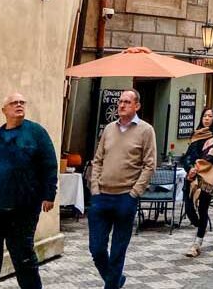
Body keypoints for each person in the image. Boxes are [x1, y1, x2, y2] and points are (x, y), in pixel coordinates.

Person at [0, 91, 57, 289]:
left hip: (23, 208)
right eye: (14, 103)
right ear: (4, 110)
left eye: (22, 102)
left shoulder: (36, 133)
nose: (19, 105)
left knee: (23, 258)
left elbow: (49, 163)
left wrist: (49, 194)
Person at [88, 89, 156, 289]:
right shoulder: (109, 129)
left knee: (118, 251)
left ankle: (111, 285)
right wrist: (94, 187)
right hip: (102, 196)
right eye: (120, 101)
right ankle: (116, 280)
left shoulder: (145, 130)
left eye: (127, 102)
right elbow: (98, 159)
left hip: (125, 197)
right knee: (97, 248)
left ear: (137, 106)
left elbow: (149, 164)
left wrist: (134, 192)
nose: (122, 105)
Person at [182, 107, 213, 258]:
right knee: (189, 206)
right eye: (205, 116)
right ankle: (201, 226)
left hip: (207, 177)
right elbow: (188, 155)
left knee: (203, 209)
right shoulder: (196, 134)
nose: (207, 118)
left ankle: (197, 243)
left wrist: (197, 168)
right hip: (192, 176)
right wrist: (189, 168)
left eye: (210, 116)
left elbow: (212, 156)